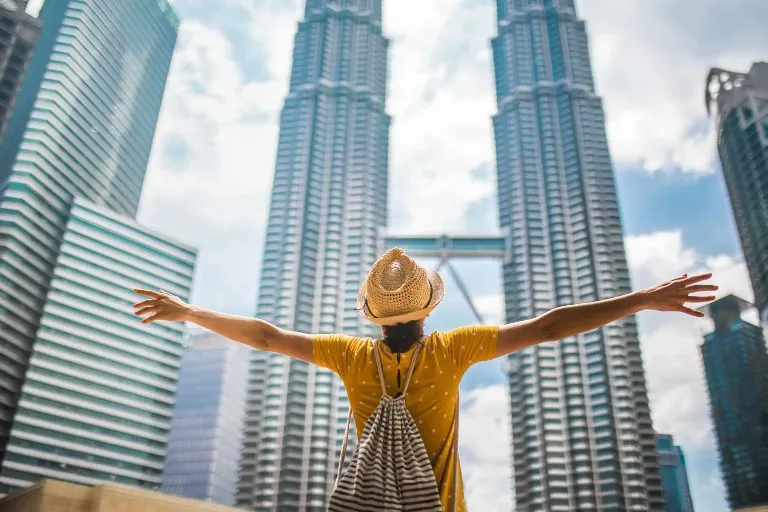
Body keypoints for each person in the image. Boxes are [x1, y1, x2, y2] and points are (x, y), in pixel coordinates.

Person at [133, 247, 717, 511]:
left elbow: (265, 336)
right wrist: (643, 299)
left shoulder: (350, 356)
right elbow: (548, 328)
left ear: (374, 313)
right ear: (426, 309)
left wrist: (189, 312)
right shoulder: (453, 349)